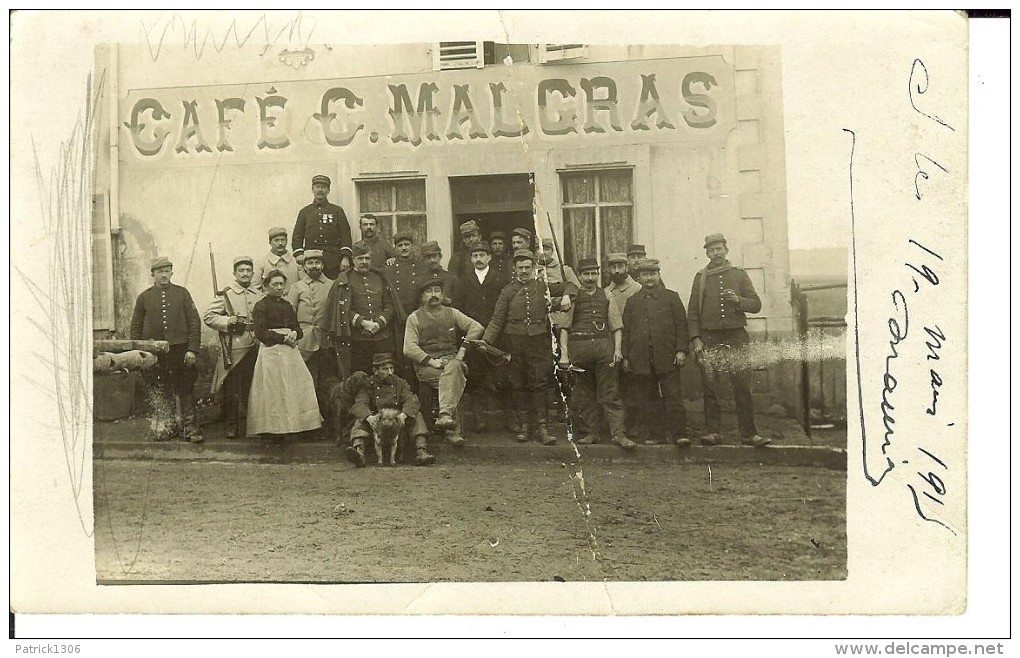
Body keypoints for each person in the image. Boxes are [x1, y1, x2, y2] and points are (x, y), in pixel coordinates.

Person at [687, 233, 769, 448]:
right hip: (710, 337)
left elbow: (756, 305)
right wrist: (696, 339)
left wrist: (738, 300)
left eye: (719, 249)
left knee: (742, 385)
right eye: (712, 250)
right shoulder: (700, 277)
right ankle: (713, 432)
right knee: (711, 386)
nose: (716, 253)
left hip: (736, 337)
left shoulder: (739, 275)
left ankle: (749, 434)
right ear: (706, 253)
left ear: (726, 250)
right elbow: (693, 312)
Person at [481, 249, 557, 445]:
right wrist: (486, 340)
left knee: (539, 383)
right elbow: (497, 319)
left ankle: (542, 427)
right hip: (515, 342)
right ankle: (524, 426)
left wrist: (566, 297)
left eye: (527, 267)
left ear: (534, 268)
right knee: (518, 383)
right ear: (514, 269)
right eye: (520, 267)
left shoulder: (543, 287)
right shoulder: (507, 291)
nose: (524, 271)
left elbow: (570, 288)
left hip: (539, 342)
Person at [559, 258, 635, 450]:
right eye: (586, 274)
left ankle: (618, 433)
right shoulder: (573, 296)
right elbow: (564, 328)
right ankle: (591, 432)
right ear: (580, 275)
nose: (590, 278)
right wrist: (564, 355)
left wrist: (617, 350)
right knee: (584, 393)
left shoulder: (607, 295)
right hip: (579, 347)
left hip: (603, 347)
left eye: (594, 273)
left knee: (609, 391)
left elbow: (616, 326)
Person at [130, 256, 204, 442]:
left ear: (172, 272)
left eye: (167, 271)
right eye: (159, 271)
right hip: (154, 352)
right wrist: (140, 352)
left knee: (185, 387)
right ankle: (168, 427)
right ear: (153, 274)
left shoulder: (183, 293)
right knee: (161, 387)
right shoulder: (144, 297)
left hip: (180, 350)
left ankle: (190, 428)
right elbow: (135, 327)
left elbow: (195, 322)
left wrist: (192, 349)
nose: (164, 275)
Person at [403, 277, 484, 446]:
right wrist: (431, 361)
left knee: (454, 368)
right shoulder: (414, 318)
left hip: (451, 360)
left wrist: (462, 351)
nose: (434, 295)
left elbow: (476, 327)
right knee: (454, 376)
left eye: (437, 291)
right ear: (423, 296)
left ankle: (445, 416)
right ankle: (452, 431)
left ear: (442, 294)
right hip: (427, 366)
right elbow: (409, 348)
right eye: (429, 291)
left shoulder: (452, 312)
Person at [621, 259, 691, 447]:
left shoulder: (671, 297)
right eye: (645, 274)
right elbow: (627, 330)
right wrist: (626, 356)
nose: (649, 278)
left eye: (653, 274)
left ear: (659, 275)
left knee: (673, 395)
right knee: (648, 398)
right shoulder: (633, 301)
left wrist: (681, 350)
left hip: (668, 355)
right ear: (639, 277)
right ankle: (657, 434)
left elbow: (682, 326)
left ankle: (679, 434)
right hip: (641, 357)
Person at [246, 270, 322, 437]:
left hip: (289, 352)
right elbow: (260, 332)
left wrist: (295, 334)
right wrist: (283, 338)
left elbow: (297, 327)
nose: (279, 287)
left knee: (296, 385)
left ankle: (296, 425)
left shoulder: (287, 305)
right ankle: (274, 429)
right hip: (271, 351)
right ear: (267, 286)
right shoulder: (261, 306)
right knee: (275, 388)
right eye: (275, 284)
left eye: (281, 284)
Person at [203, 255, 264, 438]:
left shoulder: (259, 294)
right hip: (235, 347)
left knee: (252, 387)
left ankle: (254, 425)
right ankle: (232, 425)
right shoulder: (226, 294)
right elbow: (208, 316)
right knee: (231, 389)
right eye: (241, 271)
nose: (245, 274)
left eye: (248, 270)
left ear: (253, 273)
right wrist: (227, 321)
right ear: (235, 273)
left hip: (257, 345)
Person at [453, 240, 511, 431]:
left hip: (497, 334)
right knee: (476, 376)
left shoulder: (501, 279)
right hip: (473, 335)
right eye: (475, 256)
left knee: (500, 375)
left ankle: (507, 419)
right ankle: (480, 418)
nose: (478, 259)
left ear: (489, 257)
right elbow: (458, 310)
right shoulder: (464, 280)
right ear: (471, 259)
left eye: (482, 255)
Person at [347, 353, 436, 467]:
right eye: (385, 369)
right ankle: (359, 453)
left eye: (391, 368)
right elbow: (359, 404)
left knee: (416, 415)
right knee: (360, 420)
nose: (390, 372)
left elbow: (411, 399)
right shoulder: (368, 384)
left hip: (397, 420)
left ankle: (421, 451)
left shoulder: (400, 383)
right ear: (375, 370)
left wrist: (404, 414)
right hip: (378, 421)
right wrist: (369, 417)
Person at [329, 243, 401, 376]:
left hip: (383, 337)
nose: (364, 262)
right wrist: (363, 322)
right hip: (358, 339)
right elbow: (342, 308)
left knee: (386, 374)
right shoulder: (344, 280)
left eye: (367, 258)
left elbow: (390, 305)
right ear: (353, 260)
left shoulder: (380, 277)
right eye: (360, 258)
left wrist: (378, 323)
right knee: (362, 376)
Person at [287, 249, 336, 429]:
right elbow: (289, 313)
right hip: (303, 341)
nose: (314, 266)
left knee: (327, 381)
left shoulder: (332, 285)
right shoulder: (297, 287)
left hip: (326, 340)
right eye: (310, 263)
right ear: (304, 266)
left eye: (317, 263)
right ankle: (307, 424)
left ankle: (328, 423)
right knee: (306, 382)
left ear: (322, 265)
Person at [604, 251, 643, 438]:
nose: (617, 270)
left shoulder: (637, 288)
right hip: (612, 345)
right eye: (613, 267)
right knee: (613, 386)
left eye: (620, 266)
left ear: (626, 268)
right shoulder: (606, 291)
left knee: (632, 387)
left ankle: (634, 424)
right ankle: (616, 426)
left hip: (633, 343)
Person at [292, 174, 353, 279]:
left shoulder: (337, 211)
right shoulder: (305, 212)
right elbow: (297, 236)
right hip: (311, 261)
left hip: (333, 261)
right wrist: (299, 254)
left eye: (324, 187)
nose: (320, 190)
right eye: (317, 187)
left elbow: (345, 235)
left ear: (328, 190)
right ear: (312, 189)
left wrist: (345, 257)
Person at [385, 231, 424, 315]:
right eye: (400, 245)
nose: (403, 248)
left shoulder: (421, 266)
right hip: (396, 314)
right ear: (395, 248)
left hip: (417, 312)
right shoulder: (389, 268)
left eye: (406, 244)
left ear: (412, 246)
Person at [254, 226, 301, 295]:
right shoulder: (262, 262)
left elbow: (303, 286)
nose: (280, 243)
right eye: (276, 240)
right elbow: (255, 288)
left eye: (283, 240)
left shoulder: (296, 262)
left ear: (287, 241)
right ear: (270, 242)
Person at [418, 240, 460, 307]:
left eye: (434, 256)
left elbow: (460, 304)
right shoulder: (419, 280)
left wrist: (448, 301)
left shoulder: (451, 278)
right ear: (423, 260)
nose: (432, 260)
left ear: (440, 257)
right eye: (428, 257)